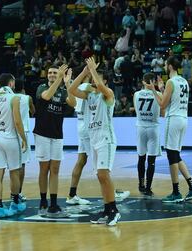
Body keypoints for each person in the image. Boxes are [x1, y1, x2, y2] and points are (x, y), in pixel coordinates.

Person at [69, 57, 120, 226]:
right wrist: (84, 71)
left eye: (95, 76)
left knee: (104, 174)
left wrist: (93, 71)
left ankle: (114, 210)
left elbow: (104, 89)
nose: (92, 79)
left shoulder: (108, 94)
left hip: (106, 139)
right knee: (99, 175)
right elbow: (72, 88)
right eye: (91, 77)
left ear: (104, 80)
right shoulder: (89, 95)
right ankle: (107, 208)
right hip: (93, 138)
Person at [147, 56, 192, 203]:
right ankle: (191, 186)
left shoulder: (171, 81)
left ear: (170, 66)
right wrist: (162, 88)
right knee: (175, 155)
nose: (164, 66)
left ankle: (176, 192)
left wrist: (154, 91)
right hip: (183, 119)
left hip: (174, 119)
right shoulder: (183, 81)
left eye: (165, 64)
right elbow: (173, 98)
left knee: (172, 155)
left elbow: (163, 104)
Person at [33, 64, 76, 217]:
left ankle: (53, 203)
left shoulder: (63, 90)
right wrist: (58, 80)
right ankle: (43, 200)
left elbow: (73, 103)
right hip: (42, 133)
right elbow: (46, 96)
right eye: (50, 72)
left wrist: (68, 83)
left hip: (57, 134)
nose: (52, 75)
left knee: (55, 169)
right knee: (44, 168)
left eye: (55, 73)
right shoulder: (41, 87)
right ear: (47, 75)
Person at [0, 73, 27, 218]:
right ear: (11, 83)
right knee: (14, 172)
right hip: (10, 138)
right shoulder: (14, 98)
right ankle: (15, 203)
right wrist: (24, 138)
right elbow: (17, 122)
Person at [134, 73, 163, 197]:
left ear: (143, 81)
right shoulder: (159, 95)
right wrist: (160, 89)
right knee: (151, 160)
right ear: (153, 82)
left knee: (141, 157)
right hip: (153, 127)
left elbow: (136, 109)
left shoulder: (136, 94)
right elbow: (163, 110)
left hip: (140, 126)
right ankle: (148, 188)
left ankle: (141, 184)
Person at [66, 74, 92, 206]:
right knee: (99, 161)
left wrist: (67, 84)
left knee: (81, 160)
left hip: (80, 125)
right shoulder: (86, 87)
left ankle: (72, 194)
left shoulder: (76, 88)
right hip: (88, 126)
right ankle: (110, 193)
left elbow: (71, 102)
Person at [12, 77, 35, 201]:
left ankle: (13, 193)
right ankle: (18, 193)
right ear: (23, 89)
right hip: (23, 132)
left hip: (10, 132)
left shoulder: (9, 98)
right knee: (22, 165)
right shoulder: (27, 98)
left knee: (12, 166)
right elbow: (33, 111)